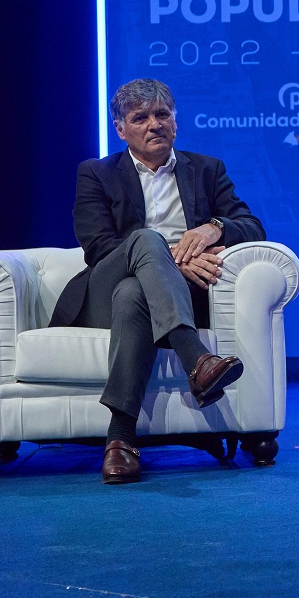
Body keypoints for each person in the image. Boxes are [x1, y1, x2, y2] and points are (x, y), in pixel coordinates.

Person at [49, 78, 266, 484]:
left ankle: (120, 440)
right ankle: (197, 360)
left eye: (162, 114)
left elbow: (252, 225)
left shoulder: (206, 169)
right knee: (143, 244)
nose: (154, 124)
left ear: (175, 122)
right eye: (141, 117)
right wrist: (170, 262)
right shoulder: (96, 173)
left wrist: (213, 228)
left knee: (136, 296)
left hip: (161, 300)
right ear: (121, 129)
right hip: (103, 290)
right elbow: (99, 249)